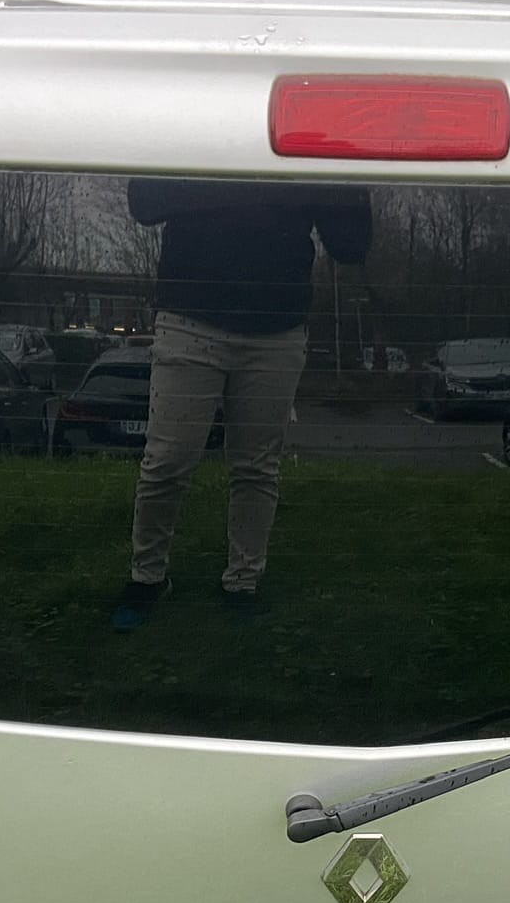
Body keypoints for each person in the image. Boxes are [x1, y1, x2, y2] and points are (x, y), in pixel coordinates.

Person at [112, 178, 372, 631]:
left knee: (256, 467)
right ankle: (146, 577)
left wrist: (349, 166)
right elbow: (144, 202)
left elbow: (350, 243)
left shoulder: (302, 144)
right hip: (189, 321)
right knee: (167, 462)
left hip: (277, 331)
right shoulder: (198, 123)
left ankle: (243, 583)